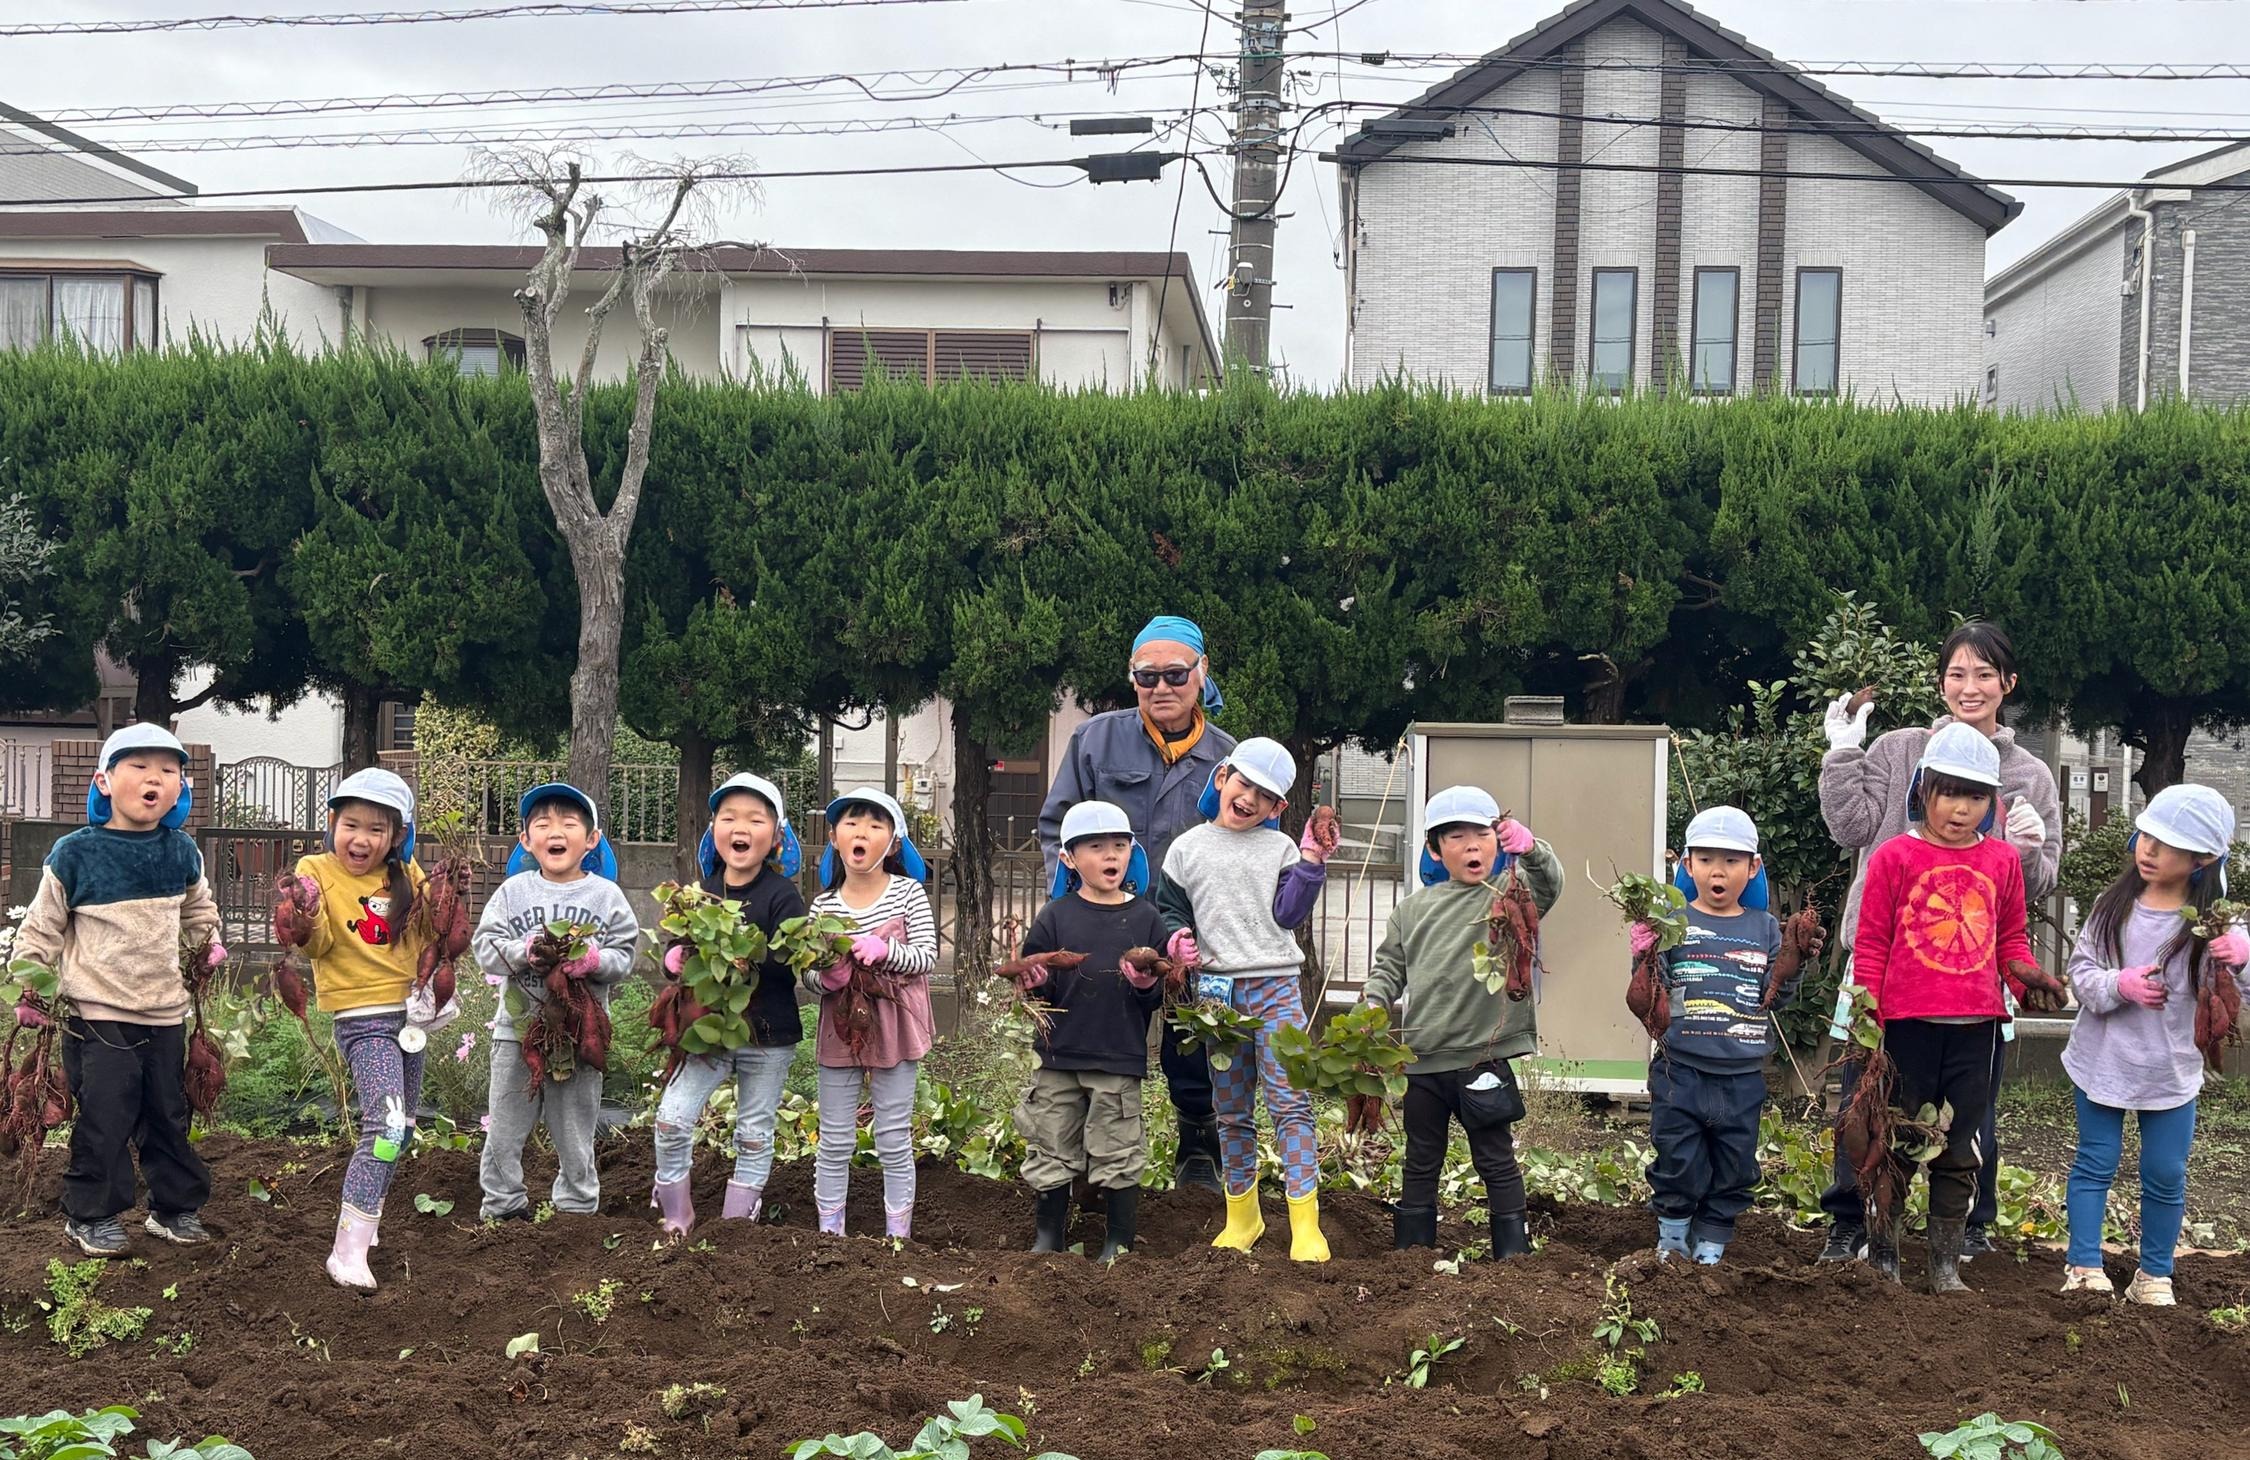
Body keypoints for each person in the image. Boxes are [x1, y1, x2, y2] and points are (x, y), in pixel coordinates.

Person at [1816, 621, 2062, 1261]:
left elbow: (2029, 887)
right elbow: (1850, 827)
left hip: (1970, 976)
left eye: (1984, 674)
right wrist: (1843, 755)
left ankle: (1966, 1229)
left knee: (1971, 1105)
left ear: (2008, 684)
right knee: (1866, 1098)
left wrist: (2029, 852)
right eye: (1957, 673)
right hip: (1879, 968)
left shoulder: (2027, 773)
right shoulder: (1901, 751)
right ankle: (1851, 1223)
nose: (1970, 687)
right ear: (1941, 681)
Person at [1851, 724, 2067, 1293]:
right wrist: (1867, 1012)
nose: (1961, 808)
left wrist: (2027, 985)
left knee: (1960, 1147)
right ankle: (1885, 1257)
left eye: (1976, 797)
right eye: (1950, 793)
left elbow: (2011, 945)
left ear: (1992, 803)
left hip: (1977, 1031)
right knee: (1894, 1137)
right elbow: (1872, 943)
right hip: (1905, 1028)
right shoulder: (1894, 857)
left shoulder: (2002, 863)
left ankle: (1945, 1267)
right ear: (1924, 791)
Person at [1038, 613, 1235, 1192]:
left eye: (1175, 673)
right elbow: (1057, 826)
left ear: (1201, 673)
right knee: (1087, 1033)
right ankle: (1073, 1149)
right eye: (1146, 676)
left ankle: (1197, 1146)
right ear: (1132, 679)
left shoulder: (1226, 759)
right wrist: (1079, 901)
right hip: (1103, 920)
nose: (1161, 688)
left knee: (1189, 1037)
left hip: (1185, 929)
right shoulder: (1095, 740)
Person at [15, 725, 219, 1257]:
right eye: (140, 767)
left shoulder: (181, 853)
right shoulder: (75, 854)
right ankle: (92, 1216)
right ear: (104, 780)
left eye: (169, 771)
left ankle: (174, 1209)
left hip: (165, 1012)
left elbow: (199, 910)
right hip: (96, 1013)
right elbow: (41, 928)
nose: (155, 778)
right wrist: (31, 989)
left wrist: (209, 947)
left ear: (181, 789)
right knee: (106, 1116)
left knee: (167, 1114)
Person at [2060, 784, 2250, 1304]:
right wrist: (2117, 985)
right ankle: (2083, 1266)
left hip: (2171, 1071)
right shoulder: (2113, 906)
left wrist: (2241, 955)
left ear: (2203, 859)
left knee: (2165, 1172)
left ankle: (2154, 1274)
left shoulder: (2216, 924)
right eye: (2146, 835)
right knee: (2095, 1161)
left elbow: (2243, 990)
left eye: (2165, 844)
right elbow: (2081, 973)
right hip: (2103, 1062)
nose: (2147, 849)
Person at [1362, 785, 1560, 1260]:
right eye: (1456, 836)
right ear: (1434, 849)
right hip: (1424, 1061)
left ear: (1496, 841)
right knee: (1421, 1160)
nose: (1471, 844)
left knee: (1496, 1158)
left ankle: (1513, 1254)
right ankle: (1412, 1254)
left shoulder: (1510, 897)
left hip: (1482, 1057)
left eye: (1482, 833)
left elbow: (1549, 884)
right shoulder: (1413, 911)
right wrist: (1370, 1009)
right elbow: (1390, 968)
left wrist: (1531, 849)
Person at [1155, 737, 1331, 1261]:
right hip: (1218, 997)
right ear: (1223, 777)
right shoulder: (1185, 850)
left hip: (1277, 988)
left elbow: (1289, 914)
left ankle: (1304, 1223)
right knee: (1230, 1109)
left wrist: (1311, 862)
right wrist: (1175, 939)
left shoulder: (1279, 850)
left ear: (1279, 808)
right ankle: (1243, 1218)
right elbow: (1169, 909)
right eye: (1244, 784)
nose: (1250, 798)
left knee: (1290, 1103)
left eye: (1266, 796)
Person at [271, 767, 434, 1288]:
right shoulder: (315, 870)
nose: (360, 839)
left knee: (403, 1129)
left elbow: (435, 938)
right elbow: (314, 945)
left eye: (376, 829)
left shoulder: (410, 875)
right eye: (351, 824)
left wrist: (453, 896)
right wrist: (304, 913)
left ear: (398, 836)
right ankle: (347, 1251)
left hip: (409, 1015)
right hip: (362, 1019)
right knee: (384, 1127)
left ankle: (367, 1219)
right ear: (332, 823)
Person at [1638, 807, 1821, 1265]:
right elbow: (1650, 993)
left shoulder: (1764, 929)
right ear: (1687, 865)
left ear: (1753, 868)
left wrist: (1794, 962)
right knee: (1677, 1157)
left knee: (1735, 1163)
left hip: (1742, 1076)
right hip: (1680, 1069)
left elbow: (1773, 997)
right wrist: (1643, 953)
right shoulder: (1672, 923)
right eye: (1705, 859)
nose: (1717, 870)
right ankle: (1674, 1236)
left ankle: (1713, 1239)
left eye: (1732, 861)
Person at [472, 783, 639, 1224]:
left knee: (575, 1129)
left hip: (579, 1033)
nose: (555, 831)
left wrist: (595, 960)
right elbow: (484, 946)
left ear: (591, 839)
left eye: (568, 823)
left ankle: (576, 1211)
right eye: (542, 824)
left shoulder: (606, 897)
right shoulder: (513, 892)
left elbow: (626, 955)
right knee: (506, 1128)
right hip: (516, 1032)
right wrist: (522, 951)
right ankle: (504, 1208)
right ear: (526, 840)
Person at [650, 773, 808, 1240]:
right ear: (714, 829)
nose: (742, 827)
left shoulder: (784, 895)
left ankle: (736, 1228)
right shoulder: (701, 893)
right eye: (730, 817)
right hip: (708, 1034)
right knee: (670, 1119)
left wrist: (745, 955)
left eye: (756, 819)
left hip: (768, 1035)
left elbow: (788, 963)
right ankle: (677, 1217)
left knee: (755, 1134)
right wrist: (673, 959)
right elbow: (683, 960)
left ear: (776, 837)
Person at [1012, 800, 1171, 1262]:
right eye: (1096, 847)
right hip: (1059, 1056)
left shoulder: (1146, 918)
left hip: (1118, 1056)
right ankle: (1049, 1237)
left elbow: (1157, 993)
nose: (1110, 857)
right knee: (1050, 1145)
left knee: (1118, 1149)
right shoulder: (1056, 916)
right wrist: (1035, 985)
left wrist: (1145, 983)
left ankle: (1118, 1242)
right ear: (1068, 858)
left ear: (1131, 854)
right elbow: (1034, 986)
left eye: (1119, 846)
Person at [805, 788, 939, 1239]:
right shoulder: (822, 906)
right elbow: (805, 970)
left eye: (876, 825)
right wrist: (827, 980)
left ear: (894, 843)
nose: (862, 831)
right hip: (840, 1027)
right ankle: (829, 1232)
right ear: (834, 837)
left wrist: (887, 950)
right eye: (851, 823)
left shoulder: (908, 893)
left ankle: (897, 1236)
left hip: (896, 1025)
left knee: (893, 1137)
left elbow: (927, 957)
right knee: (836, 1138)